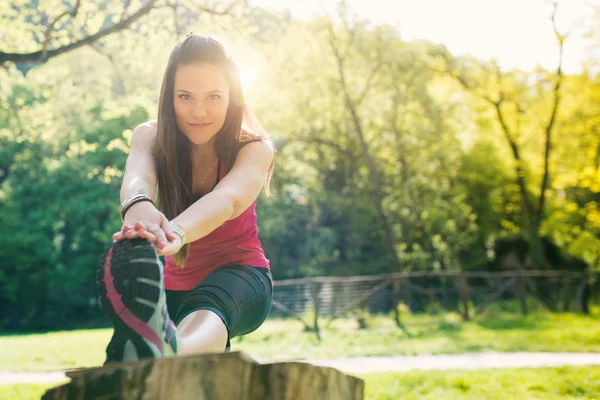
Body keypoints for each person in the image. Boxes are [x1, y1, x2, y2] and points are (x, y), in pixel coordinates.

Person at [96, 33, 275, 364]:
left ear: (232, 97)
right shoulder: (149, 136)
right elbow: (138, 179)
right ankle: (154, 346)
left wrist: (175, 233)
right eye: (185, 96)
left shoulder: (254, 148)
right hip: (172, 289)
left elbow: (228, 200)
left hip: (241, 276)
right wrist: (140, 210)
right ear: (169, 98)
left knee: (208, 306)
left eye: (213, 97)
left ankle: (170, 350)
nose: (199, 111)